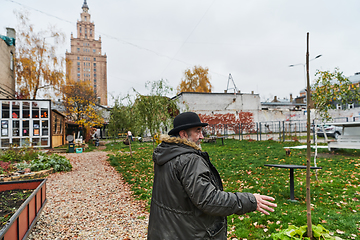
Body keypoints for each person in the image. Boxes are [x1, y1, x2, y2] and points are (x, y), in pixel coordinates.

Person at [147, 112, 277, 240]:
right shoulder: (189, 160)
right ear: (183, 134)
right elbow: (209, 200)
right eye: (197, 131)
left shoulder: (165, 154)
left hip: (165, 230)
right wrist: (249, 201)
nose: (202, 136)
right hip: (188, 233)